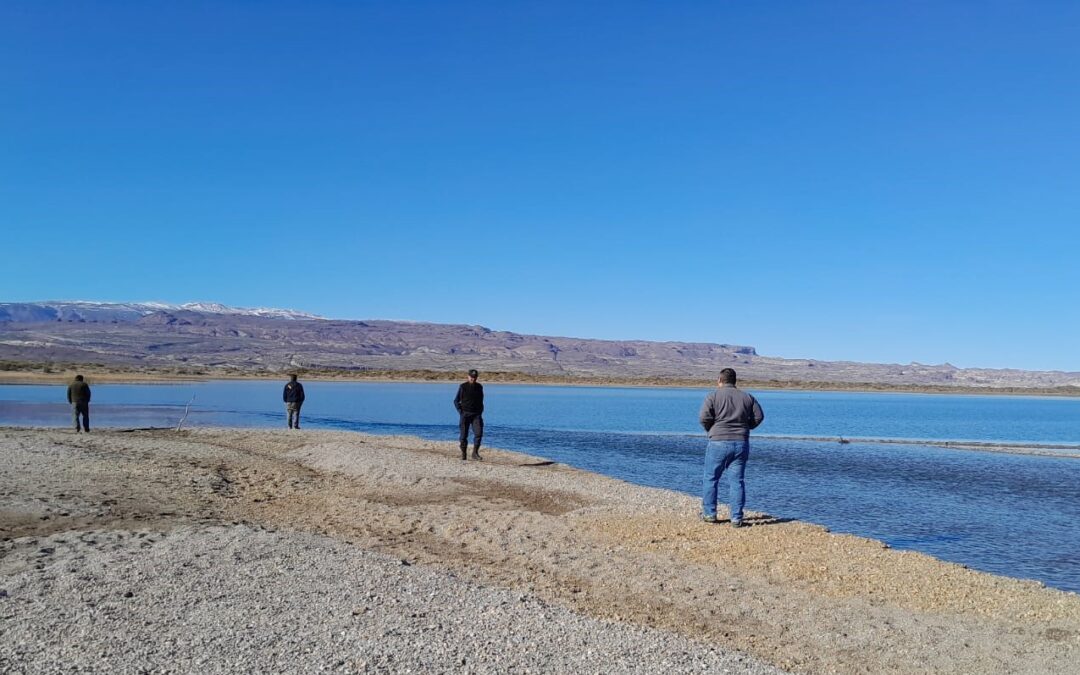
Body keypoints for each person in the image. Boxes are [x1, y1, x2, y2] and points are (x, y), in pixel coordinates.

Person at [698, 368, 764, 528]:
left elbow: (703, 417)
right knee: (737, 481)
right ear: (735, 381)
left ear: (719, 380)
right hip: (740, 443)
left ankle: (710, 514)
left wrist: (712, 430)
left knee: (711, 478)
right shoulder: (747, 397)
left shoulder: (712, 396)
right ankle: (736, 518)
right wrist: (746, 428)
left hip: (718, 443)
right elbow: (759, 417)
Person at [453, 369, 484, 460]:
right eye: (471, 377)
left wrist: (480, 411)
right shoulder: (463, 387)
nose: (473, 379)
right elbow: (456, 401)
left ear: (476, 378)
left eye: (474, 377)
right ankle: (464, 453)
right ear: (468, 376)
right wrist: (460, 411)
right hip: (465, 414)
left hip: (476, 415)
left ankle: (475, 453)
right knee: (463, 436)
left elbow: (481, 400)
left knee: (479, 433)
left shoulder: (479, 387)